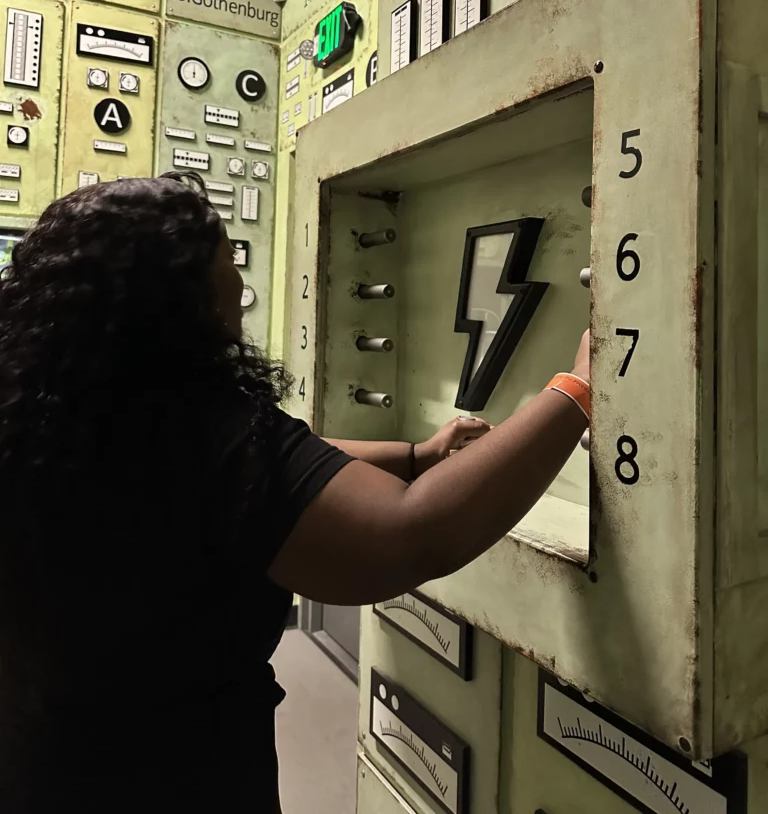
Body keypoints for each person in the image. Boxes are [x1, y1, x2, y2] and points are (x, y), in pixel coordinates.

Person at [0, 173, 589, 812]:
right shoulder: (199, 422)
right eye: (226, 257)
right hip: (175, 774)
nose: (239, 283)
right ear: (182, 291)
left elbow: (281, 471)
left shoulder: (54, 405)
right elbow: (409, 534)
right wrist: (578, 388)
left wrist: (416, 455)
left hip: (39, 756)